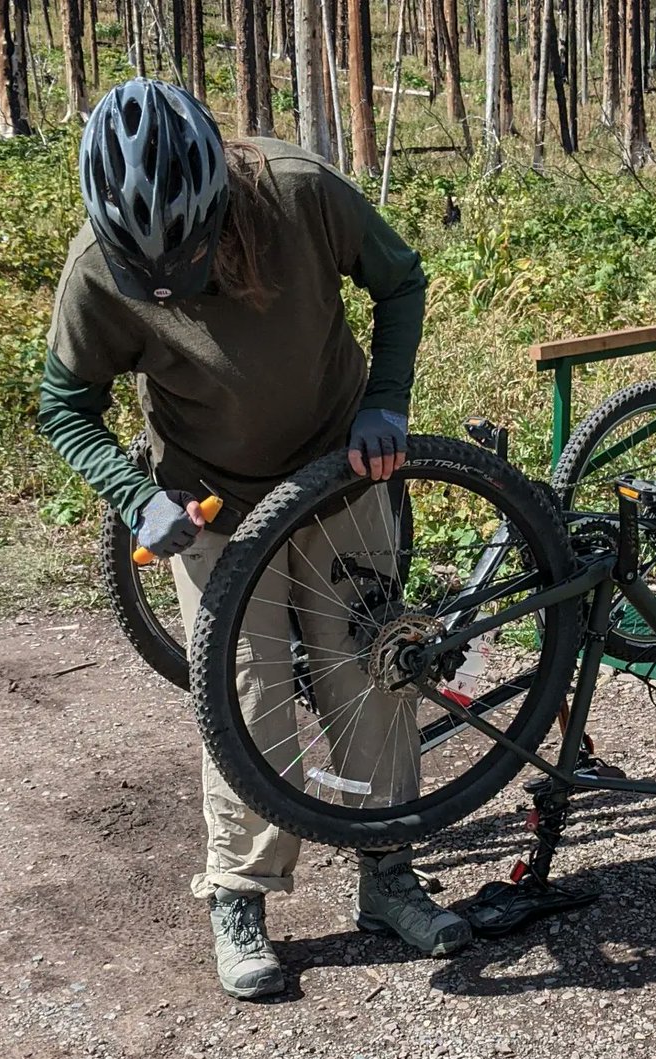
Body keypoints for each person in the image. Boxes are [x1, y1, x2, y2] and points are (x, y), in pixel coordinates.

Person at [37, 78, 472, 1000]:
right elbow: (65, 407)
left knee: (373, 670)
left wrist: (386, 404)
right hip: (209, 503)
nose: (173, 284)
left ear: (223, 204)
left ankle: (388, 876)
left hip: (341, 469)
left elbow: (401, 281)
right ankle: (239, 897)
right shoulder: (96, 268)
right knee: (249, 696)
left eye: (189, 259)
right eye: (148, 268)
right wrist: (131, 495)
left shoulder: (300, 193)